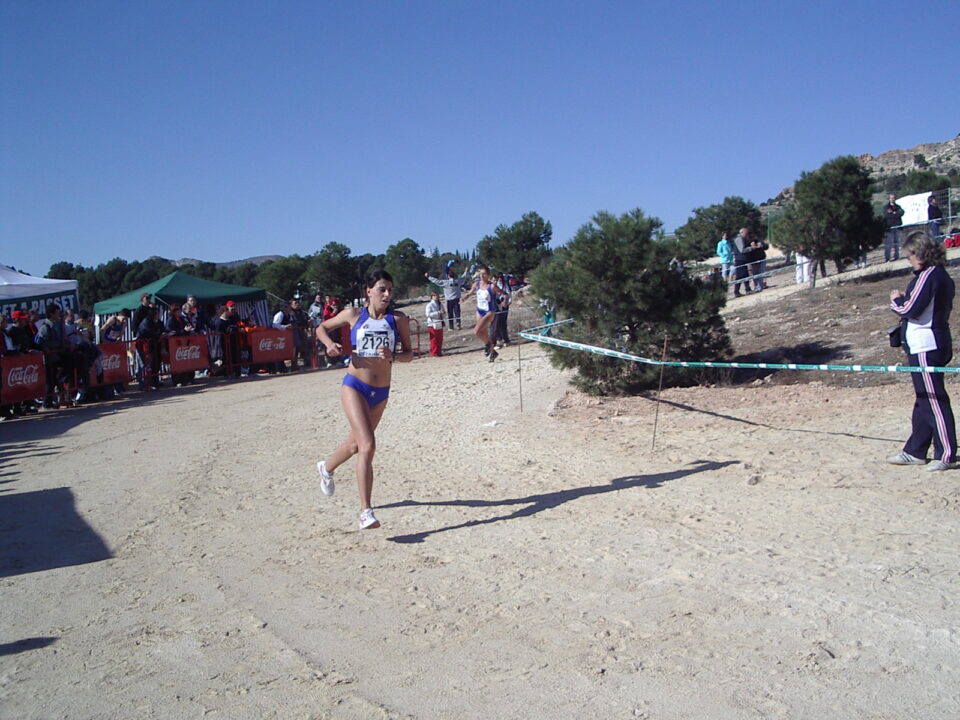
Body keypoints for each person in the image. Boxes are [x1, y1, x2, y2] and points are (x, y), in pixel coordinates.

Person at [315, 270, 413, 530]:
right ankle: (365, 512)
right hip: (354, 386)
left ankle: (326, 468)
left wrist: (392, 355)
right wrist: (328, 345)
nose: (387, 294)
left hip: (380, 392)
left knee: (355, 445)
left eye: (390, 289)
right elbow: (321, 327)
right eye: (381, 289)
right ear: (368, 291)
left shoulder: (398, 319)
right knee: (368, 445)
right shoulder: (353, 315)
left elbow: (410, 355)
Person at [887, 231, 957, 471]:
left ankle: (946, 453)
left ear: (919, 253)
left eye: (910, 255)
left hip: (926, 345)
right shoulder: (938, 276)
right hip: (924, 344)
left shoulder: (929, 276)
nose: (908, 260)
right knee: (924, 399)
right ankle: (915, 450)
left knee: (935, 400)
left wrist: (895, 300)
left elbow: (910, 309)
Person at [461, 264, 509, 362]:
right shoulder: (477, 284)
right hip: (479, 310)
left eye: (484, 274)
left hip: (489, 311)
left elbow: (504, 294)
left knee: (476, 331)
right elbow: (470, 293)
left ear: (488, 275)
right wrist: (465, 298)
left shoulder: (492, 286)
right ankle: (493, 352)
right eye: (480, 274)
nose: (482, 276)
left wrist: (505, 301)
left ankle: (488, 345)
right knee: (483, 334)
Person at [425, 264, 472, 330]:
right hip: (457, 299)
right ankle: (458, 323)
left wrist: (429, 277)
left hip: (449, 300)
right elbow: (464, 277)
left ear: (448, 276)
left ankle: (451, 326)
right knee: (457, 312)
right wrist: (466, 271)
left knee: (450, 314)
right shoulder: (458, 281)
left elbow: (436, 281)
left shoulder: (445, 282)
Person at [883, 193, 905, 262]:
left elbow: (902, 212)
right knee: (889, 243)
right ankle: (887, 258)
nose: (892, 199)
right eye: (891, 198)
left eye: (893, 198)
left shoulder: (898, 206)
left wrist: (894, 213)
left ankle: (896, 256)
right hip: (890, 227)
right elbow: (887, 216)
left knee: (897, 242)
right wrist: (895, 214)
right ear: (889, 199)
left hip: (897, 226)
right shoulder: (886, 207)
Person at [731, 228, 752, 297]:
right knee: (740, 276)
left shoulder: (743, 239)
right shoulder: (739, 239)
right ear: (742, 233)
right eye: (746, 233)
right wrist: (751, 248)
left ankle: (747, 289)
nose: (747, 235)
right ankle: (738, 291)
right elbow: (742, 250)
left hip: (742, 260)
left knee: (744, 275)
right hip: (740, 260)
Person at [425, 291, 445, 356]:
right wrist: (438, 312)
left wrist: (443, 313)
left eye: (437, 295)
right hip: (432, 324)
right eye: (434, 296)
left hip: (439, 322)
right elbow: (428, 314)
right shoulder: (429, 305)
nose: (436, 297)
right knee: (434, 339)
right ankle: (434, 352)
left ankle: (439, 352)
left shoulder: (440, 304)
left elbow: (443, 312)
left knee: (440, 338)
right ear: (432, 297)